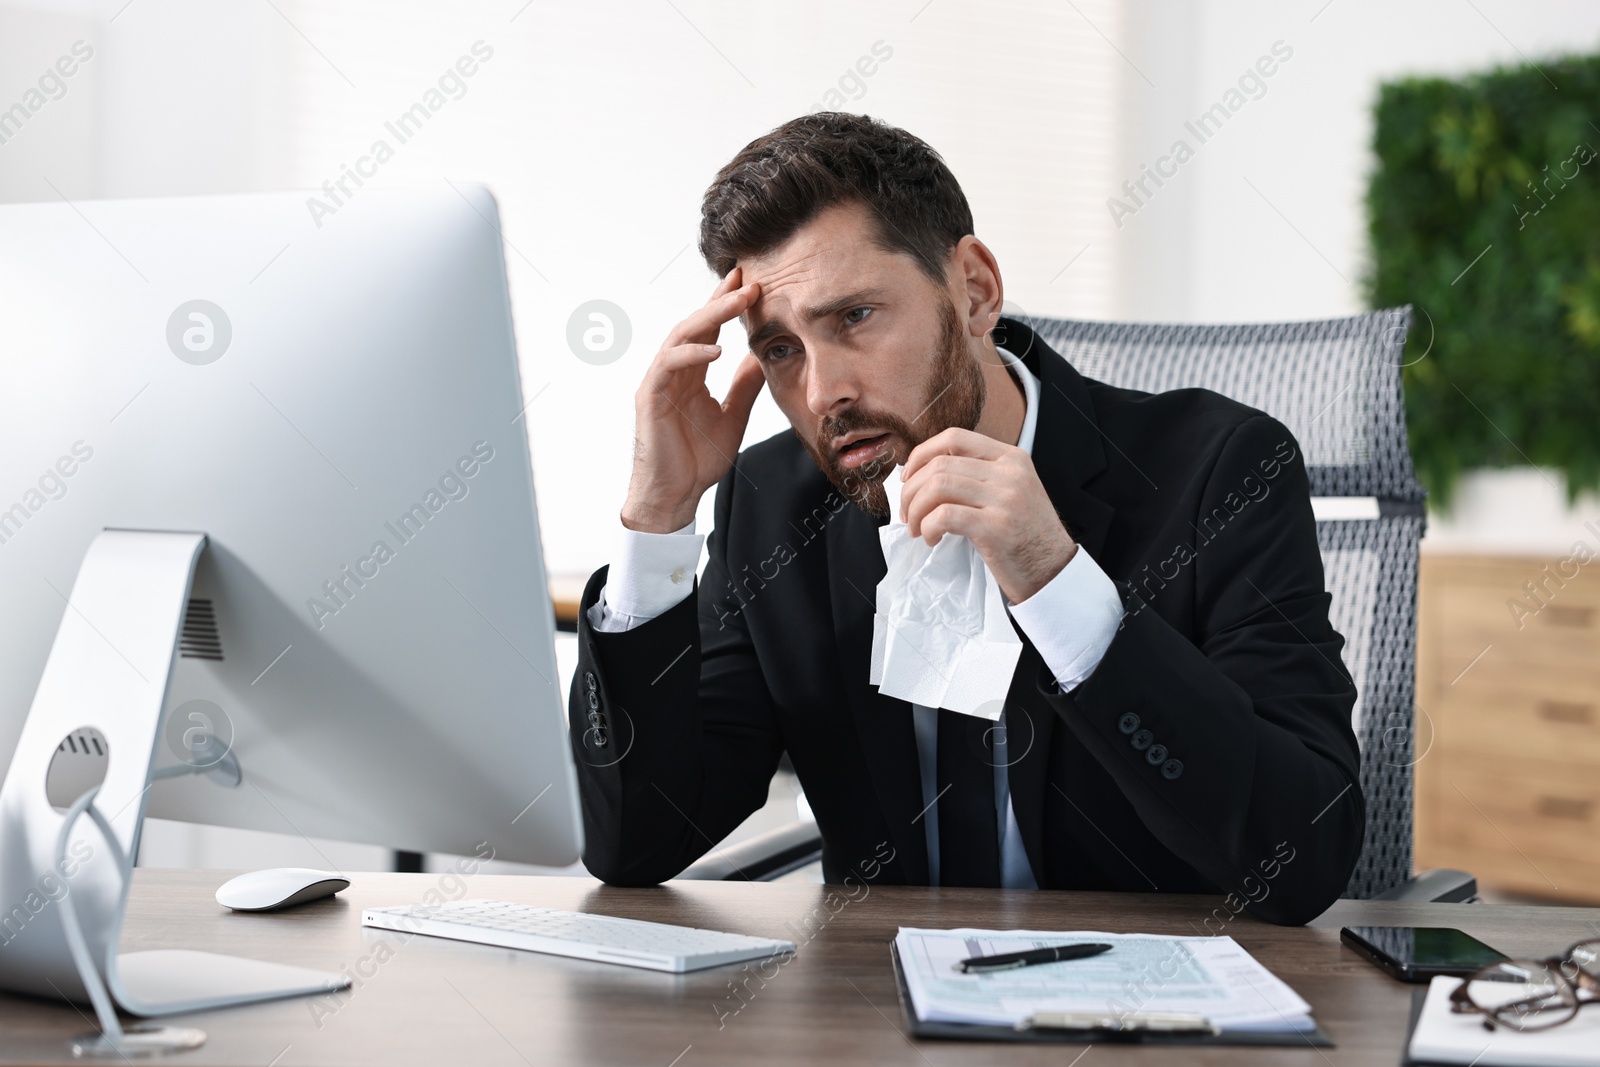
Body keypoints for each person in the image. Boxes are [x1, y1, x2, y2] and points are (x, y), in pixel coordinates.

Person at [568, 112, 1361, 924]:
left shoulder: (1219, 469)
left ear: (975, 290)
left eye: (853, 318)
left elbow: (1303, 855)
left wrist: (1058, 584)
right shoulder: (772, 506)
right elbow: (639, 843)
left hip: (1145, 1018)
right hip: (878, 1022)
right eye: (781, 349)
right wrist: (657, 516)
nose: (821, 393)